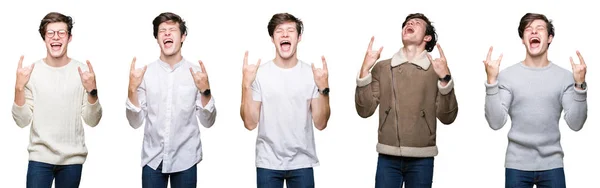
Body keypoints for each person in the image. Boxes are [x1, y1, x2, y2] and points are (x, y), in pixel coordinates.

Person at [483, 13, 587, 188]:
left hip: (552, 165)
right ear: (523, 39)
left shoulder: (565, 77)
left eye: (540, 29)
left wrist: (579, 85)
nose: (533, 32)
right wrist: (491, 82)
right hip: (517, 165)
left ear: (550, 38)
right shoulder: (508, 76)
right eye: (528, 30)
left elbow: (576, 124)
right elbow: (495, 122)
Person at [354, 13, 458, 188]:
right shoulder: (382, 68)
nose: (410, 23)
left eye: (417, 23)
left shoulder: (437, 69)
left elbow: (448, 117)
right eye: (407, 23)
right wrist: (365, 69)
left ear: (427, 37)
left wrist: (445, 78)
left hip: (422, 158)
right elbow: (365, 110)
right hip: (387, 155)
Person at [125, 12, 217, 188]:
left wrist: (205, 90)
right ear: (157, 39)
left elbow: (208, 122)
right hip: (153, 160)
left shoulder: (197, 73)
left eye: (172, 30)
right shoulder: (145, 74)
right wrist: (132, 89)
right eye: (162, 31)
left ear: (182, 37)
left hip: (186, 159)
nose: (167, 33)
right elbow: (135, 122)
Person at [11, 12, 103, 188]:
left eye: (61, 32)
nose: (56, 37)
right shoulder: (32, 72)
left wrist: (92, 90)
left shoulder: (82, 72)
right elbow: (22, 121)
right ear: (44, 38)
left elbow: (93, 120)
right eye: (50, 33)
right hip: (39, 158)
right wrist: (18, 88)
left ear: (69, 37)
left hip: (72, 160)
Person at [240, 12, 331, 188]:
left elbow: (321, 123)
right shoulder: (260, 74)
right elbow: (250, 123)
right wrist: (245, 85)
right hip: (268, 162)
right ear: (272, 39)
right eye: (279, 31)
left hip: (302, 162)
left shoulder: (311, 75)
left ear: (299, 37)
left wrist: (324, 89)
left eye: (290, 30)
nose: (285, 34)